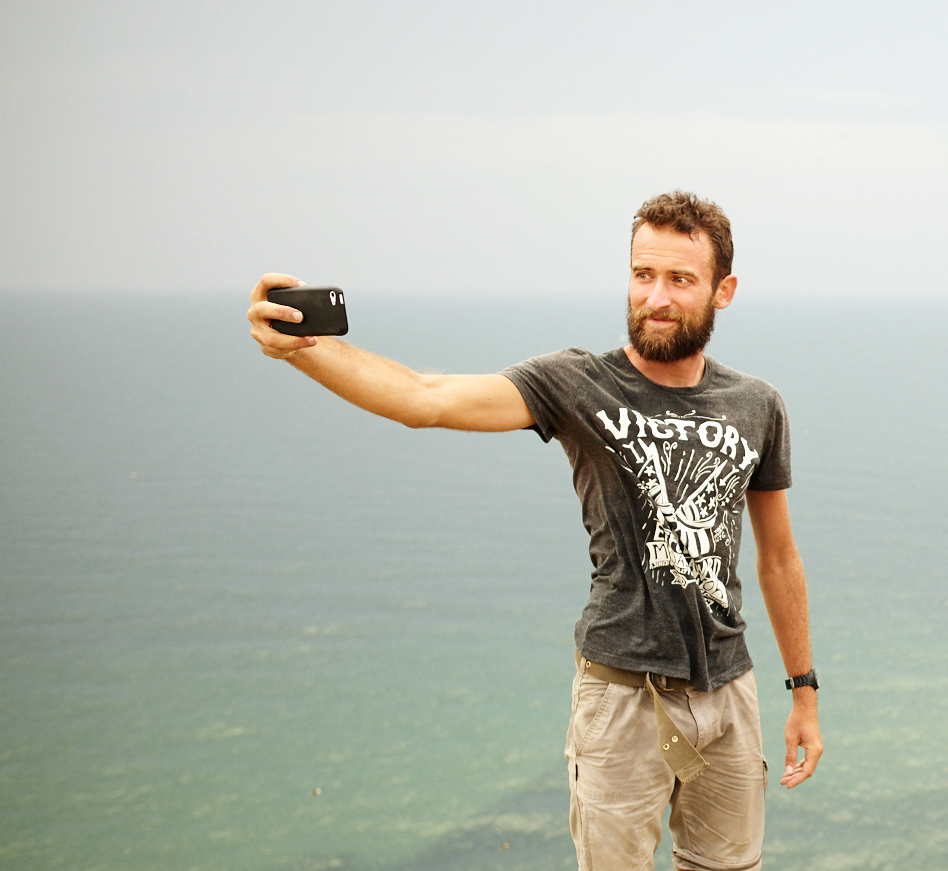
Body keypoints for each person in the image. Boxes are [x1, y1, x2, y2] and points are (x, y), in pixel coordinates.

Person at [245, 191, 821, 871]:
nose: (656, 296)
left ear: (722, 290)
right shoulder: (577, 382)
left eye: (680, 279)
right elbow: (424, 397)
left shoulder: (755, 404)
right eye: (642, 274)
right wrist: (303, 352)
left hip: (729, 693)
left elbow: (778, 558)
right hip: (623, 698)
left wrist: (803, 693)